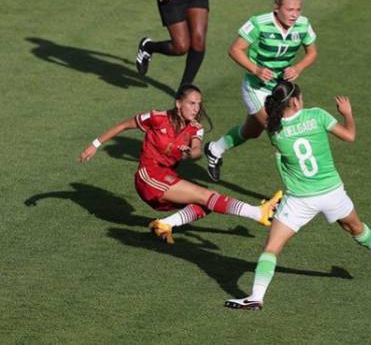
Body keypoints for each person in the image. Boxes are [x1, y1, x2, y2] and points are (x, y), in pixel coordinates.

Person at [224, 81, 371, 310]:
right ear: (295, 100)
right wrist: (348, 114)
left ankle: (256, 295)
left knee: (272, 248)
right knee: (353, 227)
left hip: (299, 199)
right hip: (332, 192)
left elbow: (282, 160)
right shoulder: (317, 116)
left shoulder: (275, 131)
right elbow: (350, 136)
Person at [79, 84, 281, 244]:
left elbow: (196, 151)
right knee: (207, 196)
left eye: (198, 104)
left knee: (206, 204)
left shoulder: (196, 129)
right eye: (191, 103)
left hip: (167, 177)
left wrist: (191, 152)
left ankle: (164, 224)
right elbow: (124, 125)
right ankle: (257, 213)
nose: (196, 108)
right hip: (148, 177)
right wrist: (95, 144)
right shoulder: (157, 118)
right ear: (178, 104)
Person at [204, 0, 318, 182]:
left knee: (252, 132)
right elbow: (235, 50)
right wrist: (255, 69)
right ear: (277, 8)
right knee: (278, 132)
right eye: (290, 10)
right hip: (256, 88)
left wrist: (298, 68)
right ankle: (296, 185)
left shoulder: (303, 25)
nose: (294, 15)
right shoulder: (259, 23)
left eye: (298, 10)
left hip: (279, 90)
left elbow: (312, 52)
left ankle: (214, 149)